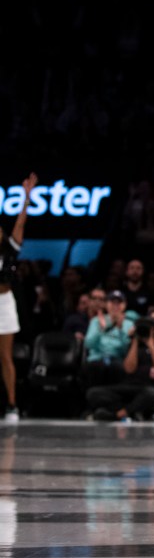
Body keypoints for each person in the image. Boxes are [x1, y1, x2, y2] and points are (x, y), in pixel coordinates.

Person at [85, 314, 154, 422]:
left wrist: (151, 345)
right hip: (130, 387)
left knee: (151, 394)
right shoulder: (136, 345)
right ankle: (131, 411)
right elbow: (129, 369)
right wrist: (135, 341)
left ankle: (117, 414)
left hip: (150, 388)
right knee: (93, 393)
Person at [0, 172, 37, 422]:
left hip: (4, 304)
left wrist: (26, 196)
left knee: (5, 356)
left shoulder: (10, 249)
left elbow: (21, 223)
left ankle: (12, 405)